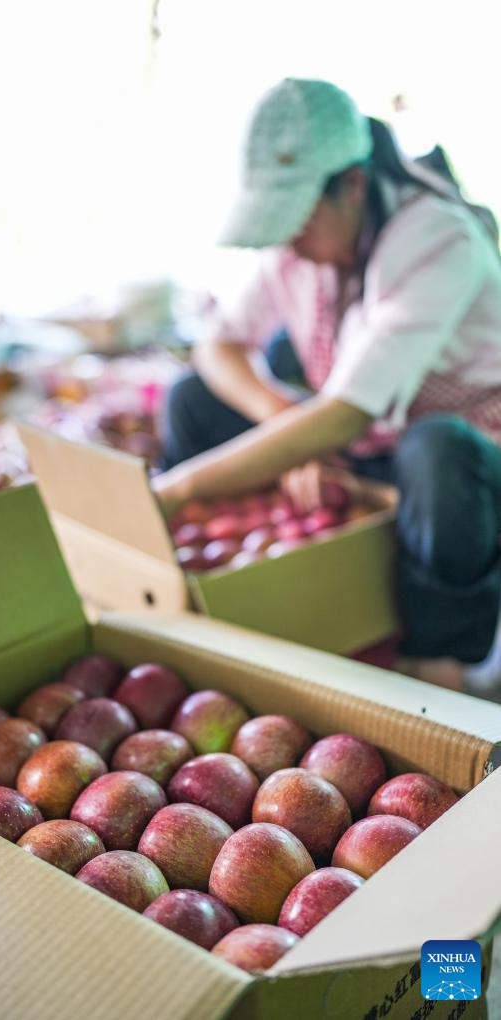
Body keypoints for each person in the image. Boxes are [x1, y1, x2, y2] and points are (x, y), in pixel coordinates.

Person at [153, 78, 501, 699]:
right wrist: (281, 416)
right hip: (364, 442)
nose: (288, 240)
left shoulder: (437, 240)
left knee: (436, 450)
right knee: (191, 399)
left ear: (354, 186)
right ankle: (210, 587)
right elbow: (218, 342)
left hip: (460, 464)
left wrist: (182, 486)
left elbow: (344, 413)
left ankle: (444, 658)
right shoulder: (303, 246)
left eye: (299, 217)